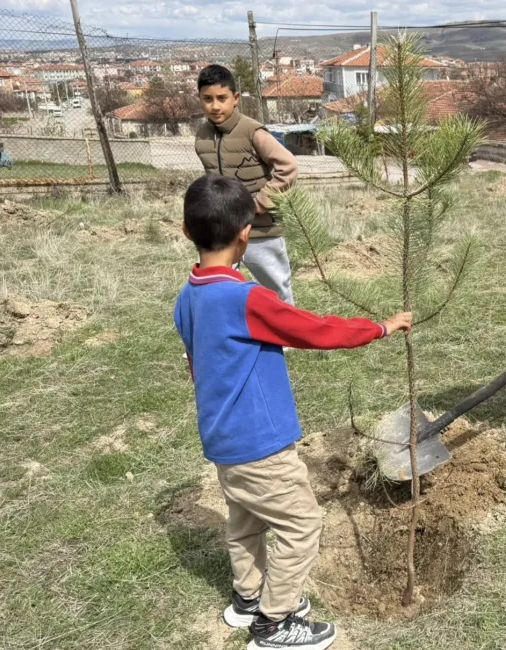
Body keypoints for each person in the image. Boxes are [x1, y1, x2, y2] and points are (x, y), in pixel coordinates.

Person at [173, 175, 412, 650]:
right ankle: (274, 623)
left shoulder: (188, 297)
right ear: (246, 234)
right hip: (260, 444)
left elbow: (197, 364)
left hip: (222, 440)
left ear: (186, 231)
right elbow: (314, 330)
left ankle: (248, 597)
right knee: (302, 525)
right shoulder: (246, 298)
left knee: (244, 521)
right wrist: (379, 328)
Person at [195, 64, 299, 304]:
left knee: (277, 292)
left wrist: (259, 204)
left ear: (236, 98)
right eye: (208, 99)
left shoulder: (253, 132)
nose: (215, 106)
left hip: (261, 230)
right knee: (220, 290)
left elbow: (288, 166)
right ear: (199, 99)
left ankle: (283, 330)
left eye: (222, 98)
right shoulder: (202, 136)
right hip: (222, 231)